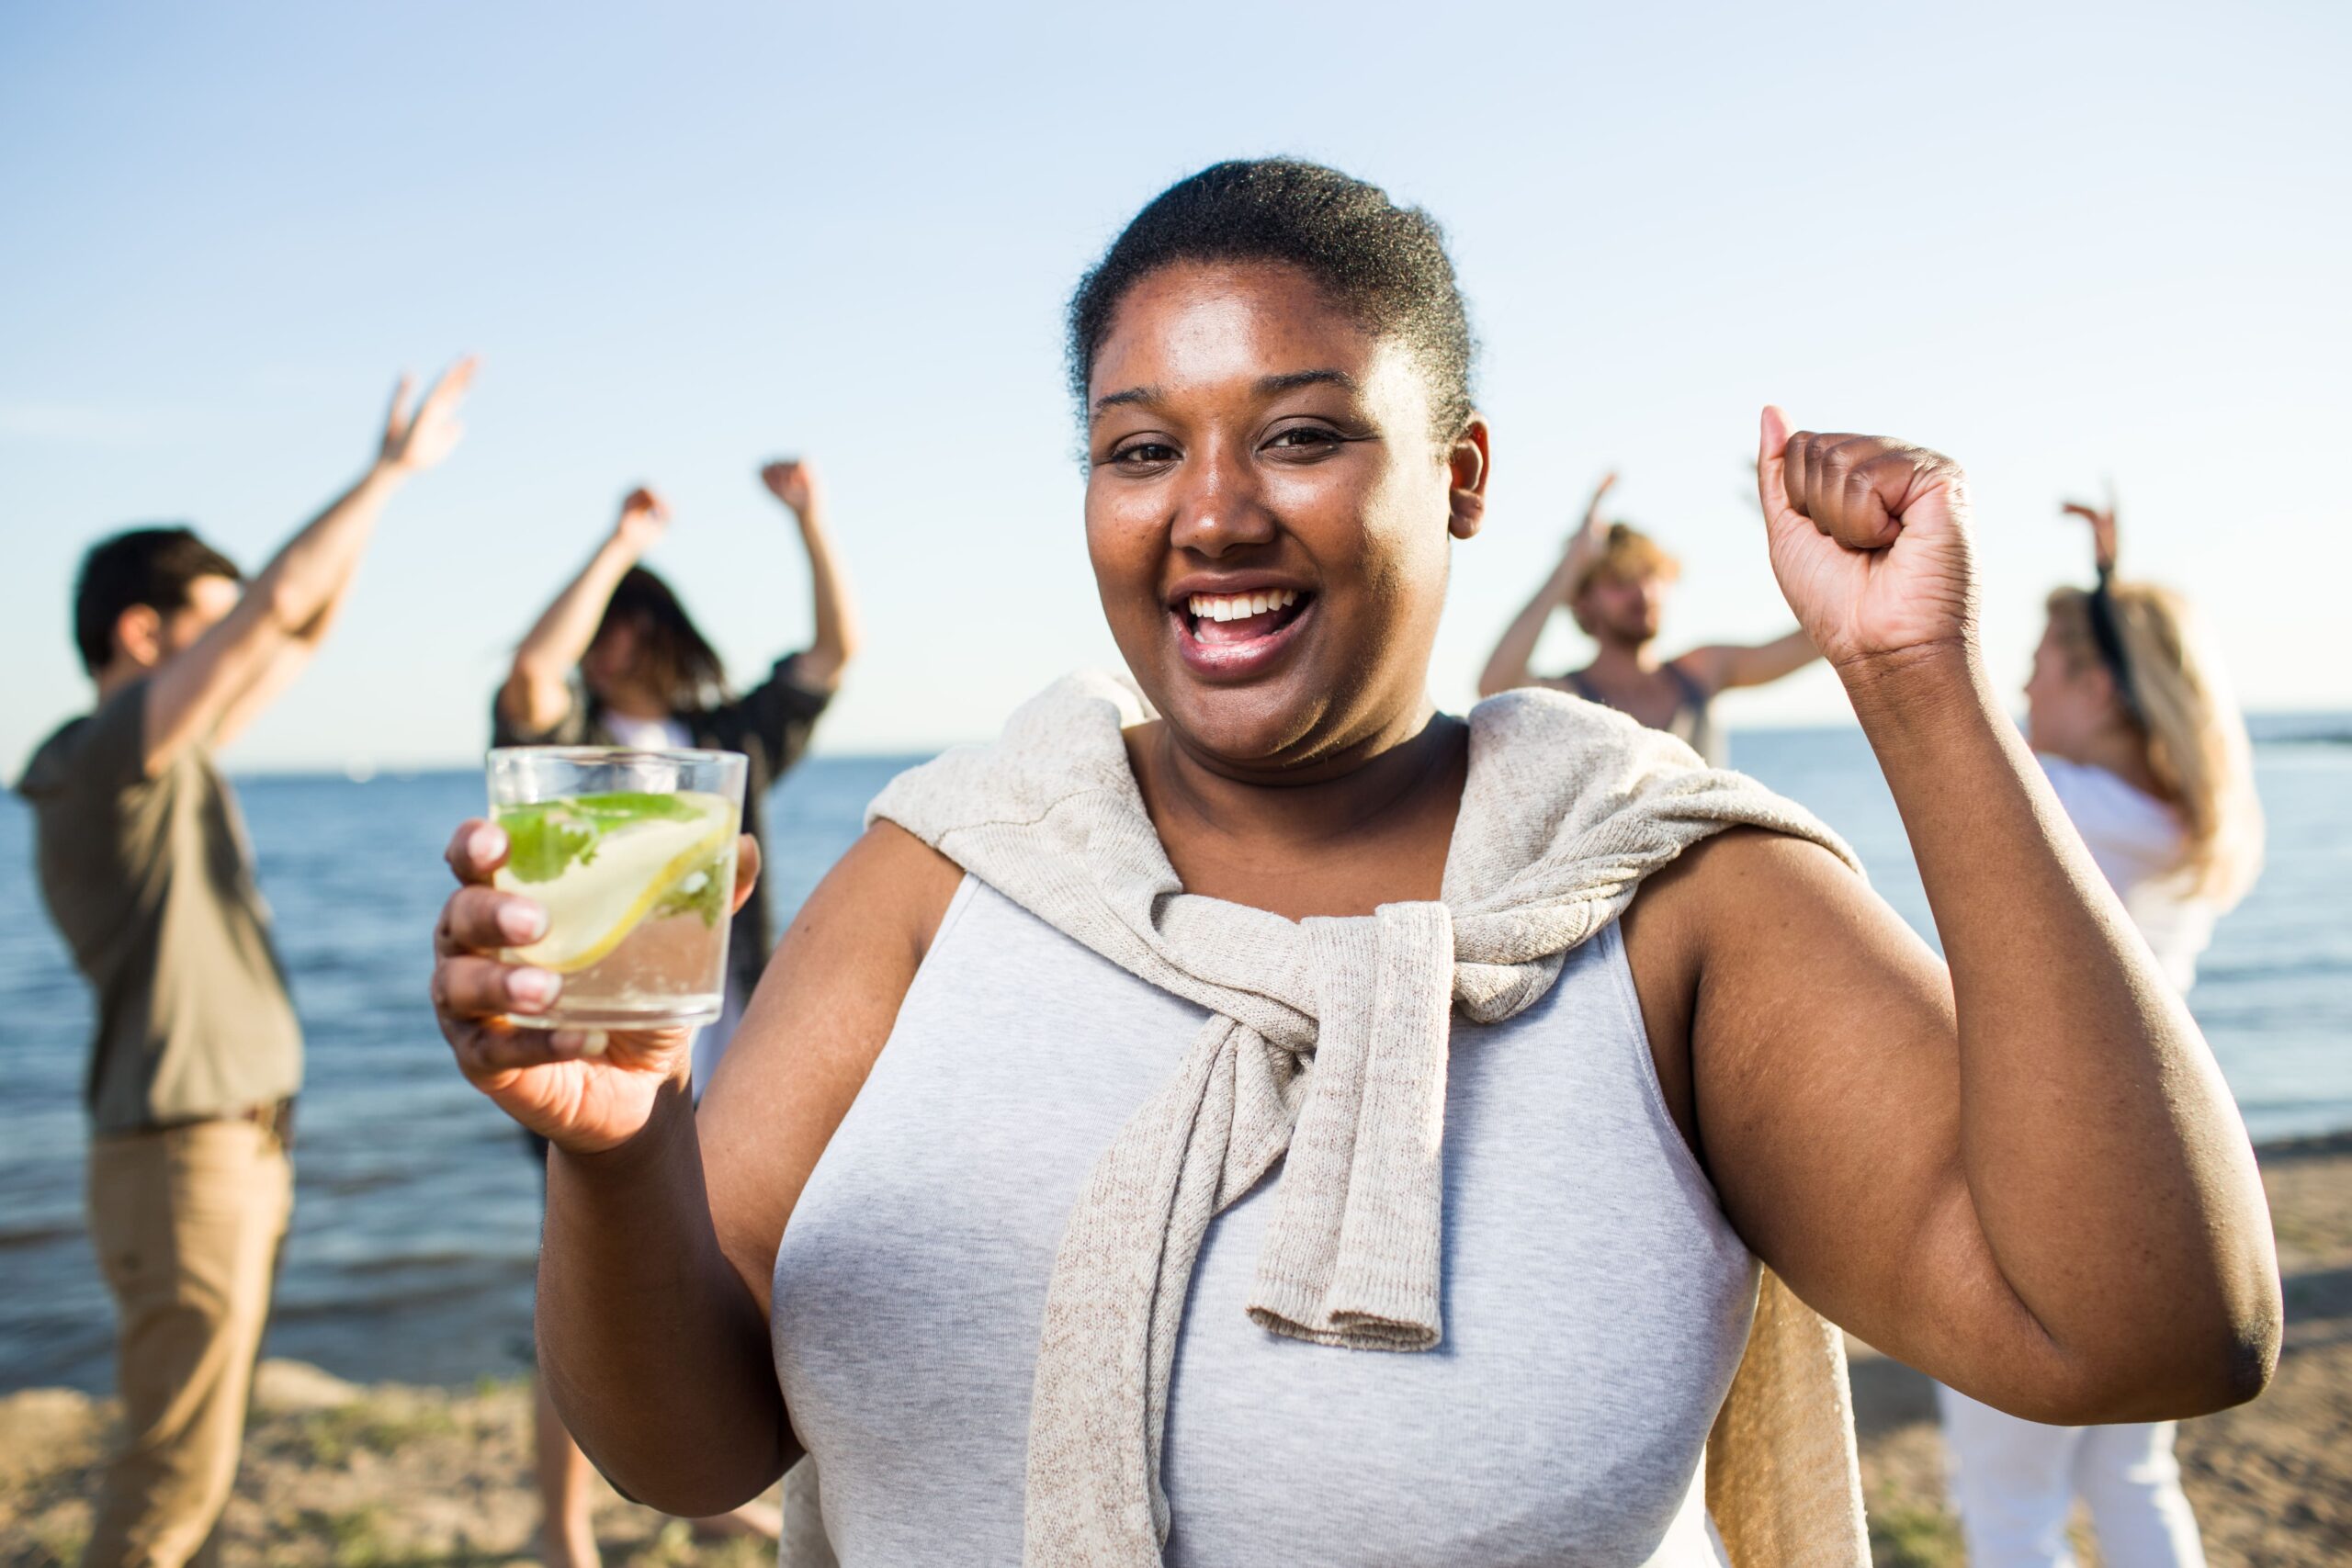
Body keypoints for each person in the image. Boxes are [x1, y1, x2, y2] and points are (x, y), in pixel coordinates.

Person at [427, 160, 2278, 1567]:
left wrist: (1916, 686)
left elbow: (2142, 1326)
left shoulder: (1668, 901)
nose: (1211, 510)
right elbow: (686, 1452)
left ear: (1461, 477)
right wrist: (614, 1153)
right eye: (1140, 446)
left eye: (1301, 433)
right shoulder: (947, 868)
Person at [19, 359, 476, 1568]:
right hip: (184, 1155)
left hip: (216, 1147)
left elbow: (297, 623)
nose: (232, 641)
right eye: (204, 620)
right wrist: (386, 469)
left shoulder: (166, 758)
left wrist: (379, 507)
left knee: (196, 1468)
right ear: (142, 632)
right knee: (171, 1476)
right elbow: (273, 607)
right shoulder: (106, 757)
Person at [492, 459, 857, 1568]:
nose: (604, 645)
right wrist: (619, 544)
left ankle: (703, 1490)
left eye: (622, 624)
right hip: (592, 1056)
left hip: (731, 1063)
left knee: (735, 1280)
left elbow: (834, 656)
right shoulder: (561, 751)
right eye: (598, 626)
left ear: (660, 635)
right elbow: (530, 668)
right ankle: (562, 1528)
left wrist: (810, 519)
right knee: (593, 1292)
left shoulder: (721, 741)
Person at [1937, 494, 2266, 1568]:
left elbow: (1945, 708)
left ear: (2097, 687)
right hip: (2178, 1180)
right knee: (2132, 1475)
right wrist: (2106, 577)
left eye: (2041, 662)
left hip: (2044, 1183)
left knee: (2011, 1507)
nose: (2023, 683)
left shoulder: (2059, 807)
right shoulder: (2180, 823)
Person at [1476, 471, 1817, 761]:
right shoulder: (1568, 697)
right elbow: (1494, 686)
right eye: (1619, 581)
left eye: (1650, 576)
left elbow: (1822, 638)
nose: (1642, 592)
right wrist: (1566, 572)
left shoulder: (1702, 671)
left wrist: (1795, 540)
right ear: (1581, 601)